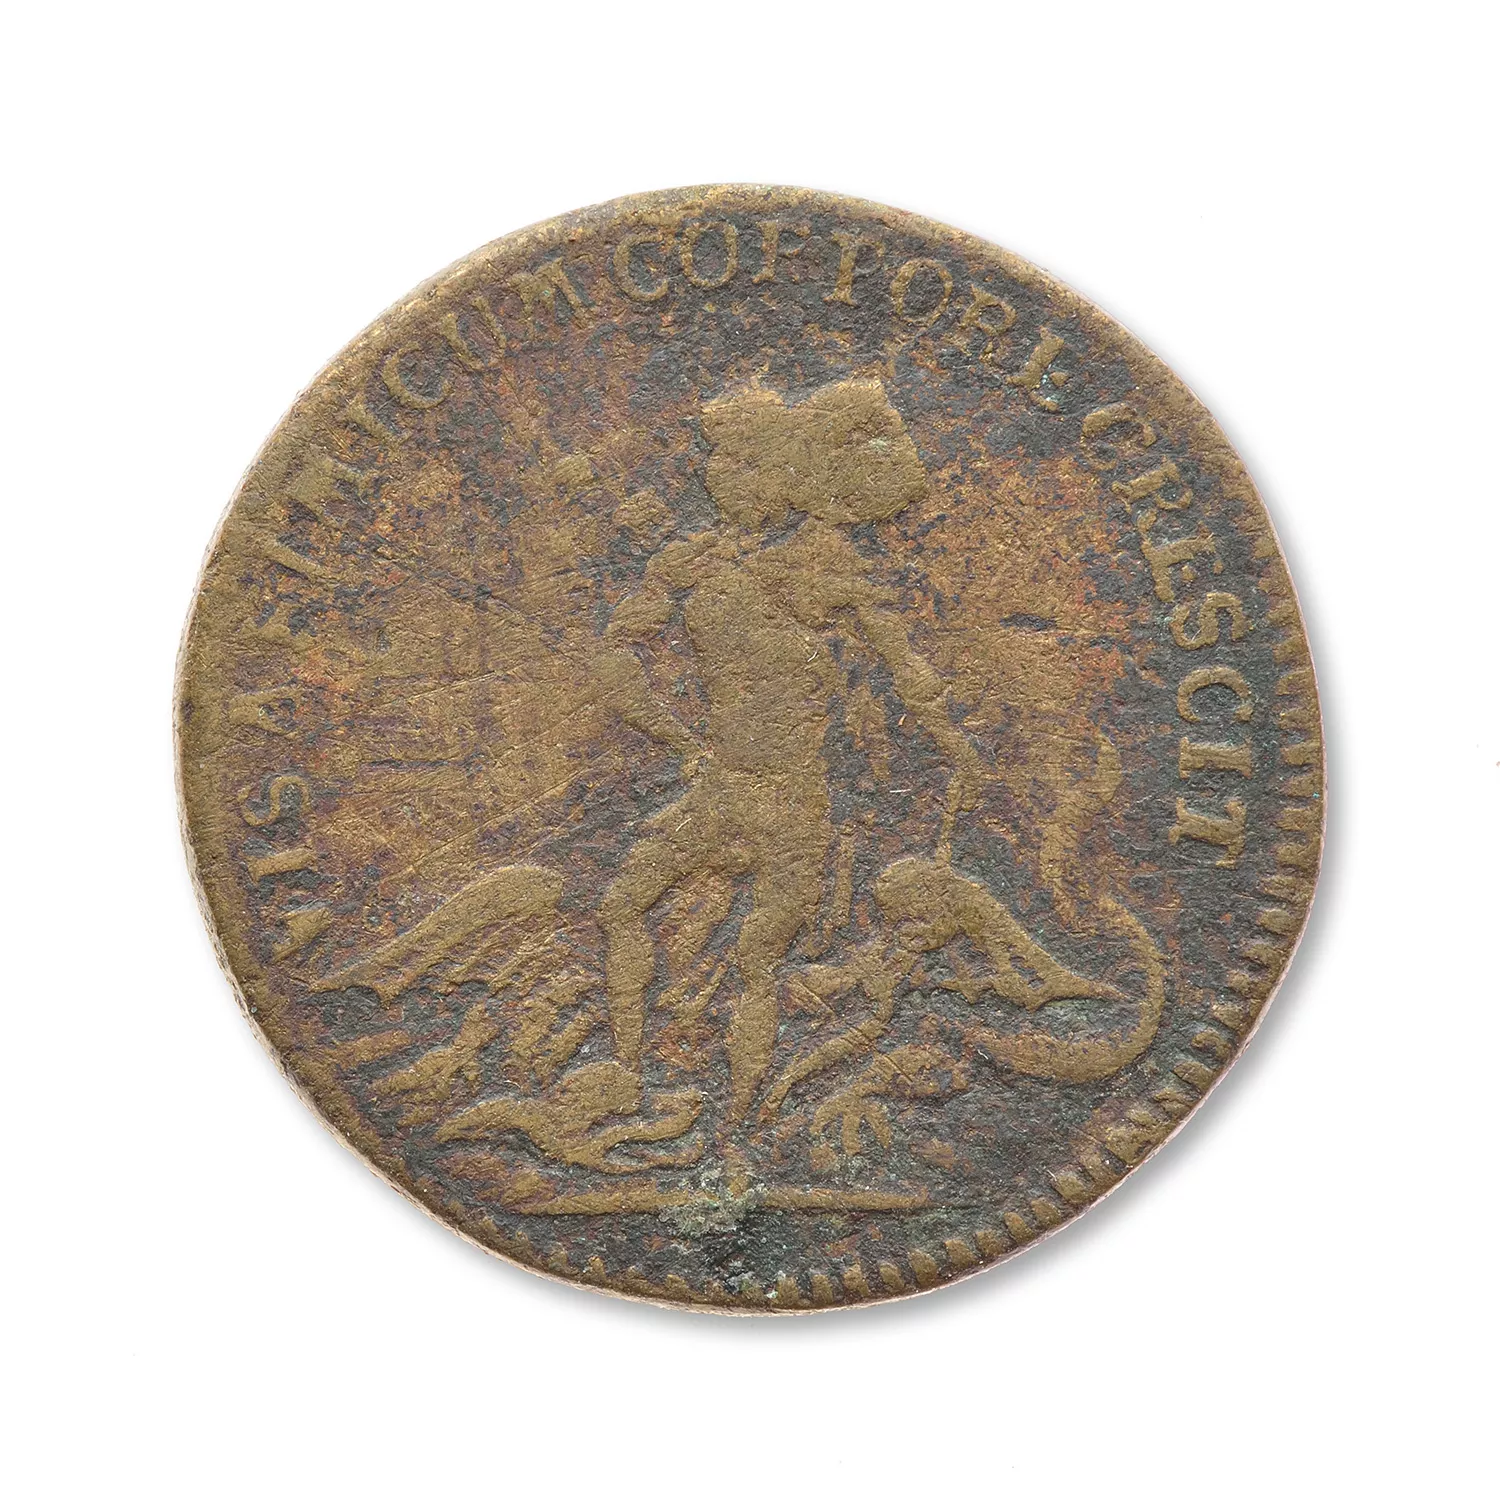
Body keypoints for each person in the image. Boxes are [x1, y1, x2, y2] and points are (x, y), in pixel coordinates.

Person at [598, 377, 983, 1123]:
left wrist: (952, 744)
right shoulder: (689, 563)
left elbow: (904, 666)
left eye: (736, 462)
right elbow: (615, 654)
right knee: (621, 907)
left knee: (757, 957)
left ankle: (742, 1120)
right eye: (716, 462)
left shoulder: (823, 563)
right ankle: (627, 1079)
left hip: (793, 800)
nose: (715, 477)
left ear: (781, 470)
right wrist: (673, 735)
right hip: (721, 785)